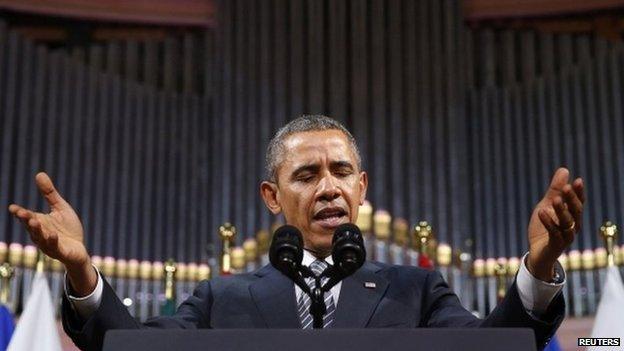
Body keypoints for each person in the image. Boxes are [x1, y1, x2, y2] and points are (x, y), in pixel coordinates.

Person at [8, 115, 584, 351]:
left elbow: (495, 347)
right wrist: (82, 271)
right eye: (306, 176)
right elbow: (130, 348)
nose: (328, 188)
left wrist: (539, 268)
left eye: (340, 174)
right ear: (272, 198)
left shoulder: (418, 290)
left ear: (362, 189)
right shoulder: (220, 298)